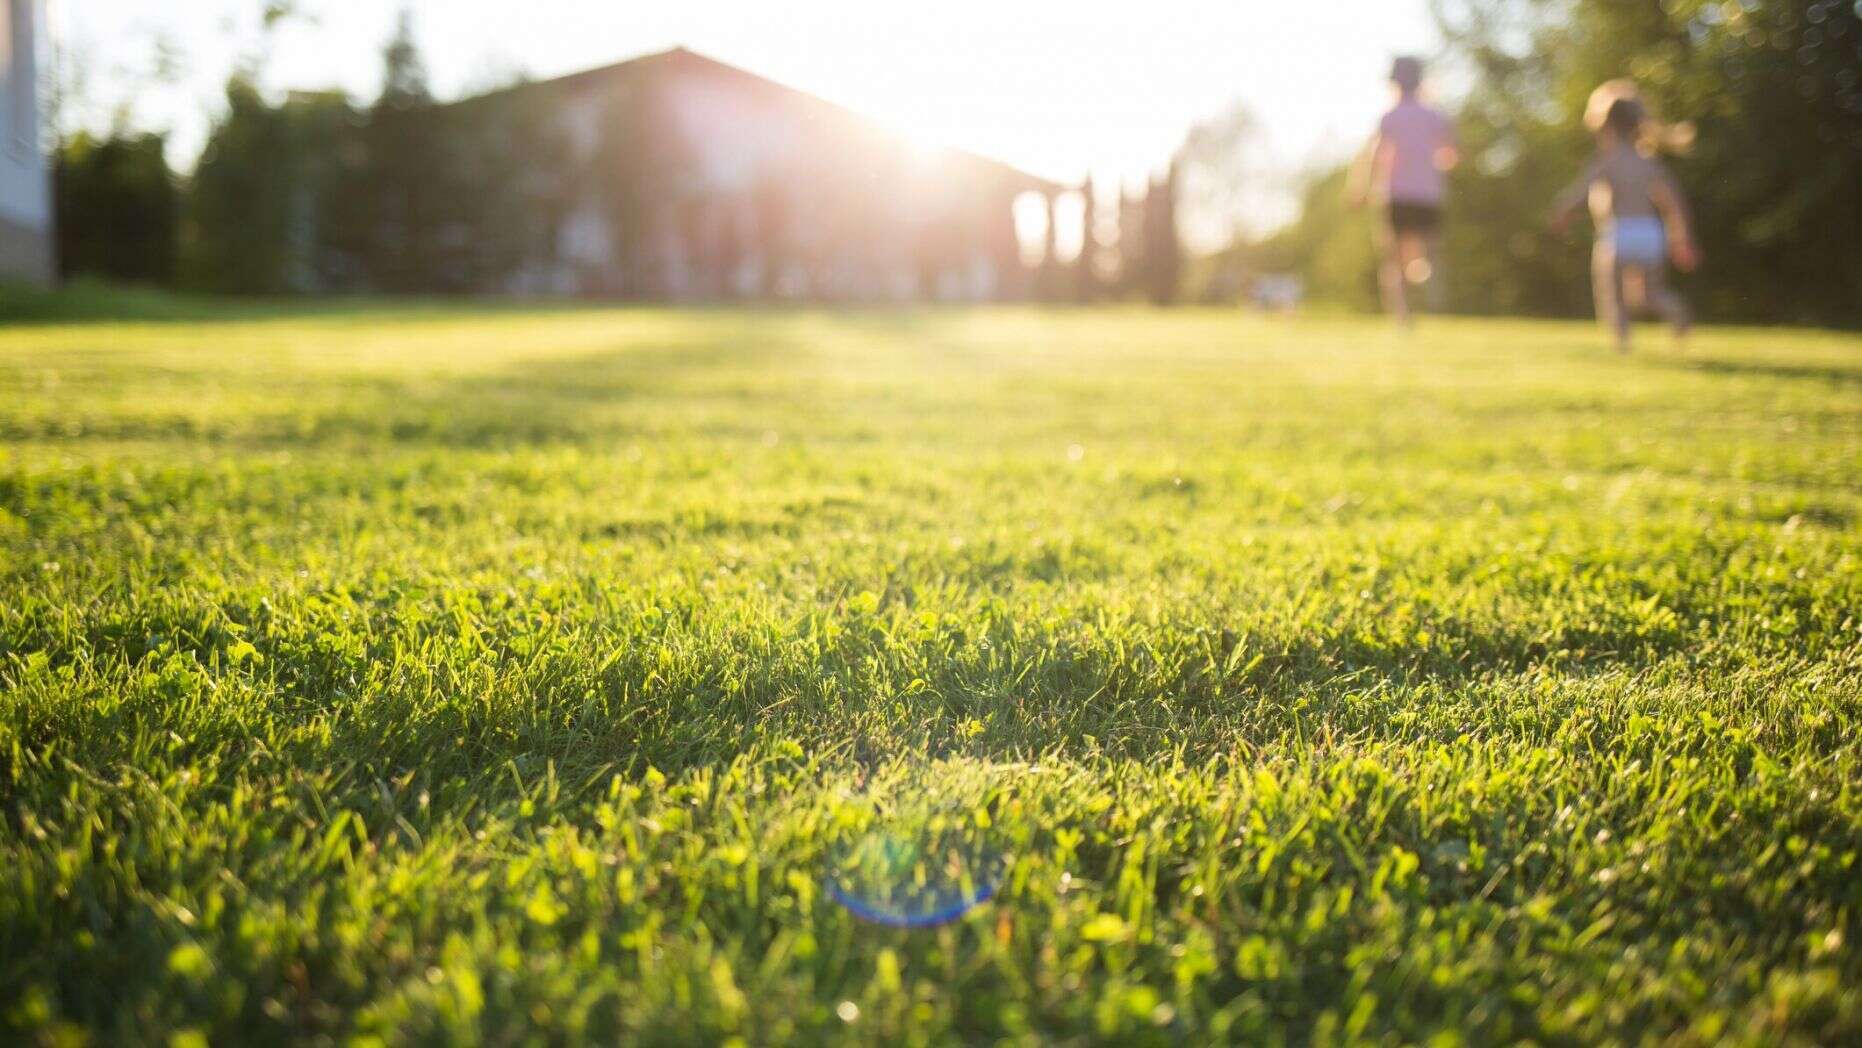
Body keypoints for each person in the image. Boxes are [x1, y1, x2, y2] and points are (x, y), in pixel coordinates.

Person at [1551, 81, 1700, 352]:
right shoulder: (1648, 162)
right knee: (1651, 294)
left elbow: (1581, 191)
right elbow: (1673, 202)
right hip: (1650, 233)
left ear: (1604, 126)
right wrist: (1682, 237)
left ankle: (1622, 343)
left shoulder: (1607, 160)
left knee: (1614, 294)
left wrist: (1563, 210)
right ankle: (1676, 311)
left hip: (1618, 233)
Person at [1348, 56, 1459, 326]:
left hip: (1396, 194)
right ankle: (1423, 278)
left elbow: (1375, 157)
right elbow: (1451, 154)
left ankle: (1403, 315)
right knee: (1428, 252)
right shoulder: (1435, 116)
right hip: (1428, 194)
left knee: (1394, 258)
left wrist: (1361, 189)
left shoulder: (1390, 116)